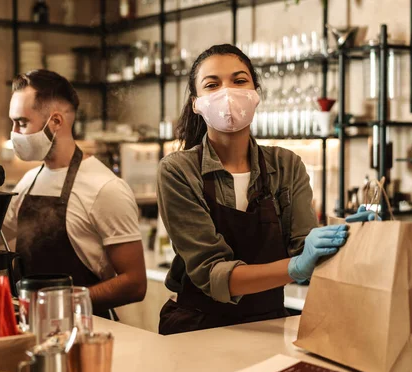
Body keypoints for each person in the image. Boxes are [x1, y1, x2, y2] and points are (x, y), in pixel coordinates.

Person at [157, 44, 372, 335]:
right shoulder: (178, 170)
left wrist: (351, 237)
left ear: (256, 94)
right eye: (212, 84)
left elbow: (304, 250)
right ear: (196, 103)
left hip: (270, 325)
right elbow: (213, 273)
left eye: (239, 80)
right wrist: (295, 267)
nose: (227, 92)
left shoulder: (286, 165)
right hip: (199, 329)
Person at [3, 70, 147, 318]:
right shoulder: (28, 182)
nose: (14, 133)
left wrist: (63, 304)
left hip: (88, 328)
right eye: (13, 123)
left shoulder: (105, 188)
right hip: (34, 325)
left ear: (56, 121)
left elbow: (135, 283)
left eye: (22, 123)